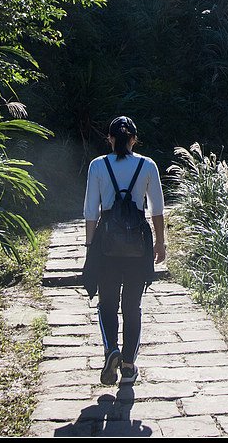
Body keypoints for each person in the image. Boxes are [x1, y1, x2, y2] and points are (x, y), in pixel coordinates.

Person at [82, 116, 166, 386]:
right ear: (134, 139)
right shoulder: (147, 165)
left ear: (110, 139)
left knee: (107, 303)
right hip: (138, 245)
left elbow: (90, 211)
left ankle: (111, 351)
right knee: (133, 306)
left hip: (106, 245)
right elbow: (157, 209)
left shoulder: (97, 165)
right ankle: (129, 365)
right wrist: (160, 241)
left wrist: (89, 247)